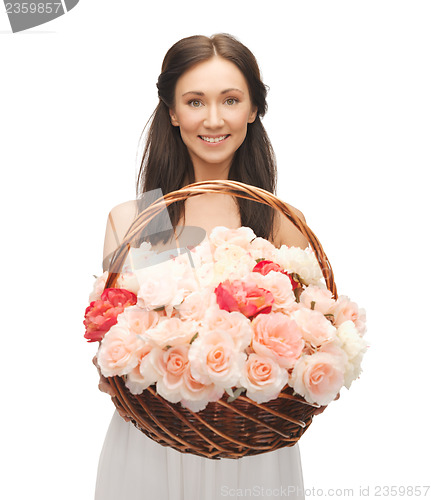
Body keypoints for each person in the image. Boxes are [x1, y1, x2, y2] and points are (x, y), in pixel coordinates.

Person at [93, 33, 310, 500]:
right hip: (153, 446)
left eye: (231, 100)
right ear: (172, 112)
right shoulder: (135, 220)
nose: (214, 119)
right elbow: (111, 344)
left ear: (253, 109)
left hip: (251, 446)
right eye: (195, 101)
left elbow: (312, 339)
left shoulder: (279, 222)